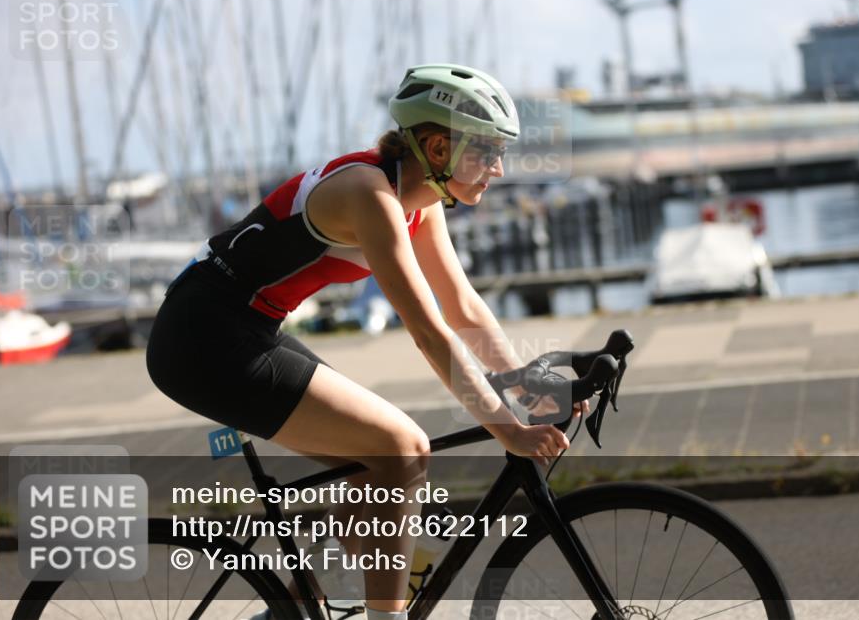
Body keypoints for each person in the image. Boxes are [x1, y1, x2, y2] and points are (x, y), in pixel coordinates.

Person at [146, 64, 586, 620]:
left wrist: (530, 387)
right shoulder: (369, 194)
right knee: (402, 448)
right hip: (202, 339)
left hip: (246, 328)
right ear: (438, 147)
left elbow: (462, 306)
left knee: (373, 463)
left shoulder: (420, 199)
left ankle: (302, 607)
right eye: (488, 151)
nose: (498, 168)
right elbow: (429, 332)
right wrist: (509, 429)